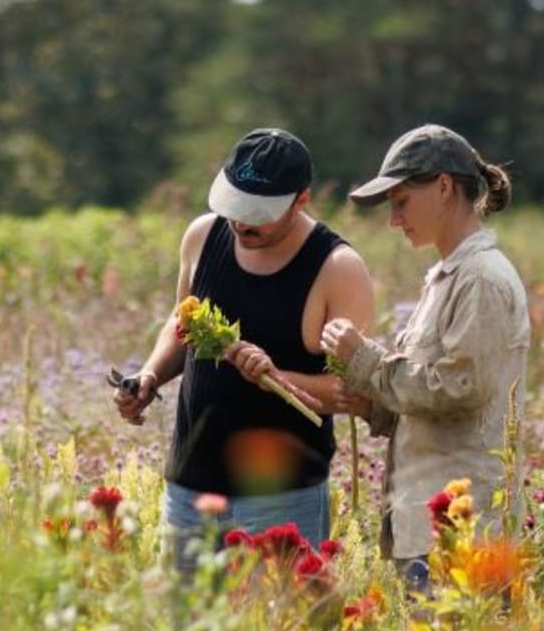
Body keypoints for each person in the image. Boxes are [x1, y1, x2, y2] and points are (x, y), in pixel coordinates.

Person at [116, 128, 374, 571]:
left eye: (258, 213)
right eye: (236, 206)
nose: (242, 223)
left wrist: (277, 378)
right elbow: (183, 324)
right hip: (189, 489)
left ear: (301, 200)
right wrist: (150, 377)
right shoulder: (201, 237)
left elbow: (352, 392)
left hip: (281, 502)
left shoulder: (337, 269)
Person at [321, 124, 529, 592]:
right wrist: (377, 405)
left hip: (463, 535)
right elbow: (441, 398)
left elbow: (461, 387)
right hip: (432, 529)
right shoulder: (449, 275)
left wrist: (367, 362)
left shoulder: (480, 278)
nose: (395, 220)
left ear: (443, 187)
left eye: (400, 203)